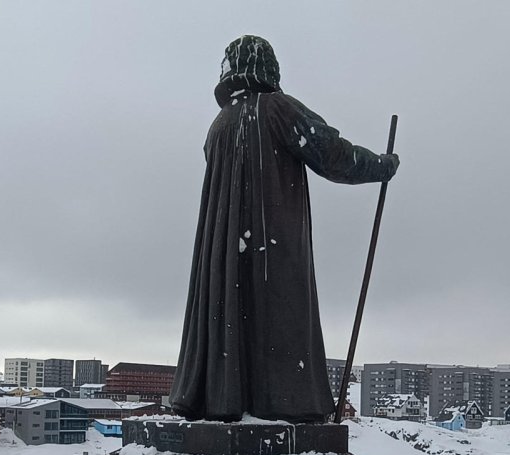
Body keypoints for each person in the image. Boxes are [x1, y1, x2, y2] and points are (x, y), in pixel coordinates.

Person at [171, 35, 399, 423]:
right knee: (278, 315)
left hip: (223, 252)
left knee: (233, 314)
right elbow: (331, 153)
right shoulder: (277, 109)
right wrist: (382, 166)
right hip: (270, 241)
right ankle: (283, 403)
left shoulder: (218, 125)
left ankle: (225, 399)